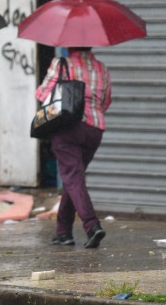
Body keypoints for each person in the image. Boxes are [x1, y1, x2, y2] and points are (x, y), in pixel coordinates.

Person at [36, 46, 111, 248]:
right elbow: (105, 101)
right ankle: (63, 232)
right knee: (74, 178)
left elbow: (42, 94)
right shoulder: (101, 68)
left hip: (67, 127)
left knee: (72, 177)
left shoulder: (61, 63)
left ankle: (91, 225)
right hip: (94, 129)